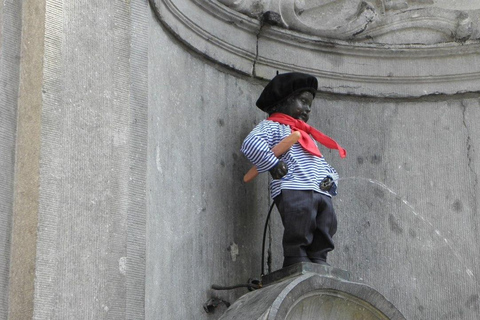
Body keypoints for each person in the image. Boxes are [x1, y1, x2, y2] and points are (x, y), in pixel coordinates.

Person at [241, 72, 347, 268]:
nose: (307, 109)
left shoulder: (307, 136)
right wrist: (272, 164)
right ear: (284, 101)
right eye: (303, 101)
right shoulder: (273, 127)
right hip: (294, 186)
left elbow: (321, 163)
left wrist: (331, 178)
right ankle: (296, 256)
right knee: (300, 220)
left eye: (309, 105)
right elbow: (252, 143)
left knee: (327, 222)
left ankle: (318, 257)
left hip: (319, 189)